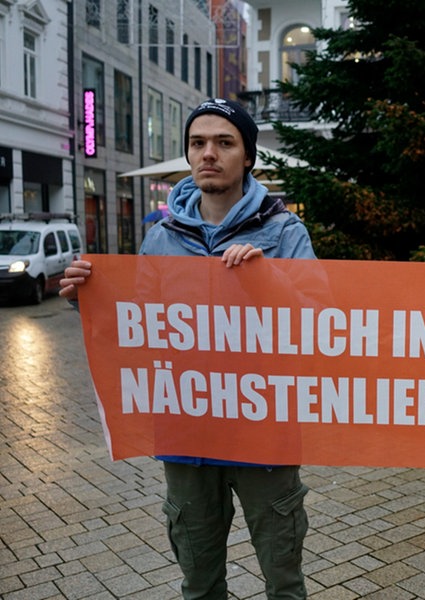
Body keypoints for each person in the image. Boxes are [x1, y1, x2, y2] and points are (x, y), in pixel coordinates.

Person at [60, 98, 316, 600]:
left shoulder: (285, 232)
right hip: (186, 428)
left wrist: (268, 280)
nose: (209, 154)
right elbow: (139, 328)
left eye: (225, 142)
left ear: (248, 156)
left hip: (264, 426)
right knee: (199, 585)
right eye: (198, 143)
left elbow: (319, 322)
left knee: (284, 583)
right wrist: (86, 301)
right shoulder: (160, 239)